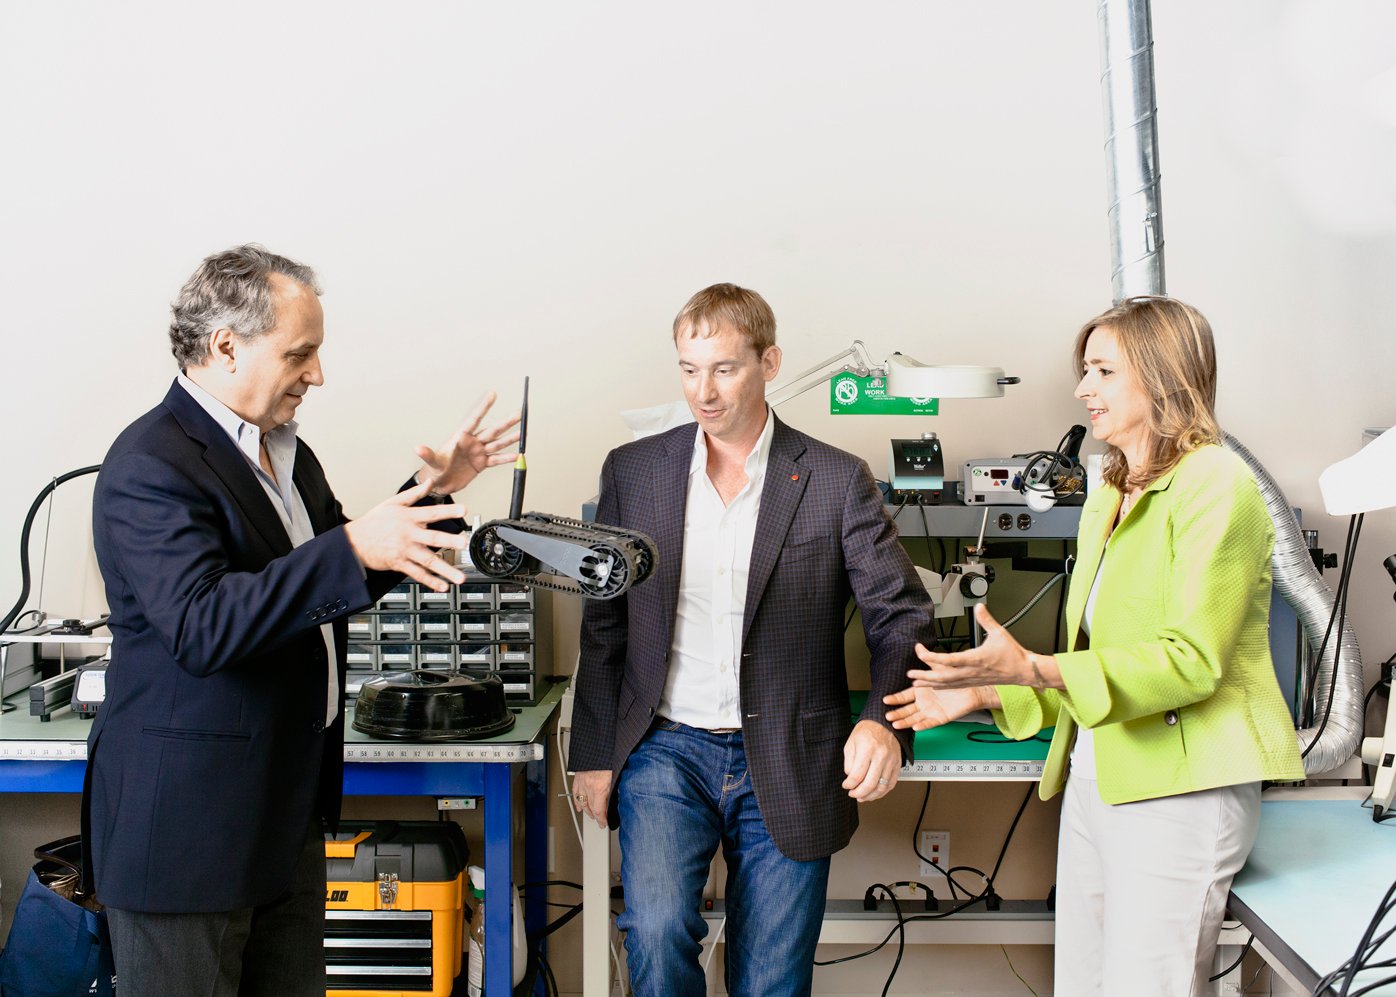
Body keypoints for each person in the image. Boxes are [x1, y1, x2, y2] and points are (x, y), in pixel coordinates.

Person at [82, 245, 519, 997]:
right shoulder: (149, 462)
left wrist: (431, 493)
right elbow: (202, 623)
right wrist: (349, 545)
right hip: (187, 837)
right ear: (225, 345)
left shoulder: (287, 453)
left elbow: (344, 571)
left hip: (282, 820)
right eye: (301, 353)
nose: (318, 374)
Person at [884, 295, 1306, 995]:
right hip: (1097, 778)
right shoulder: (1109, 495)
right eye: (1087, 371)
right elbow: (1092, 665)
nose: (1083, 390)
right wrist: (988, 690)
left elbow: (1189, 660)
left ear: (1161, 375)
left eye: (1103, 371)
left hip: (1181, 793)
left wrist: (1036, 665)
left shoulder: (1216, 483)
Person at [568, 283, 935, 997]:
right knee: (655, 931)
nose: (703, 391)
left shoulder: (834, 479)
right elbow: (604, 623)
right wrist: (592, 753)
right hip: (666, 747)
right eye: (688, 369)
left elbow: (902, 617)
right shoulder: (634, 472)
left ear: (769, 362)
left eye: (724, 369)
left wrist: (881, 722)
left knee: (771, 978)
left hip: (790, 751)